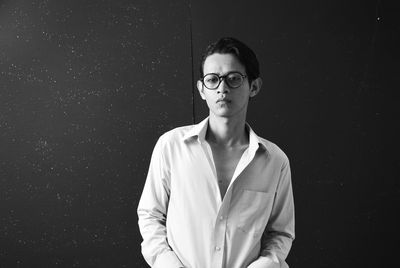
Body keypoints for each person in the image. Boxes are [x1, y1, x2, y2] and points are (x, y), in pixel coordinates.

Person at [137, 37, 295, 268]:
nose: (222, 88)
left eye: (233, 79)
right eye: (212, 79)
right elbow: (151, 216)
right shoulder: (171, 146)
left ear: (253, 86)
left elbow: (280, 233)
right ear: (202, 89)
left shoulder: (275, 161)